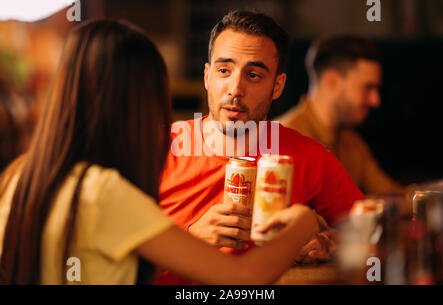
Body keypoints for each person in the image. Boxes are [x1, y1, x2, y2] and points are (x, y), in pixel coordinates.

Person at [0, 19, 319, 285]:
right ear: (137, 105)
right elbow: (243, 276)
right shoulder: (102, 192)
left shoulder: (20, 175)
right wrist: (304, 223)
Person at [156, 10, 365, 284]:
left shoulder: (307, 157)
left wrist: (331, 242)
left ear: (277, 86)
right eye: (223, 71)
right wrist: (190, 240)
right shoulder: (157, 149)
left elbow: (369, 229)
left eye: (253, 75)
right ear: (207, 76)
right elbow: (106, 262)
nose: (235, 88)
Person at [276, 35, 404, 196]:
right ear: (332, 81)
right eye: (367, 88)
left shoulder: (351, 141)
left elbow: (391, 195)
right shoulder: (283, 139)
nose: (375, 100)